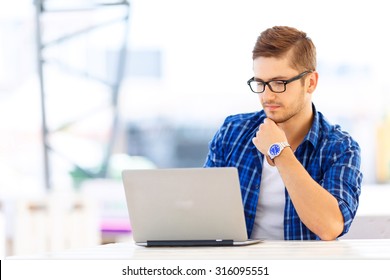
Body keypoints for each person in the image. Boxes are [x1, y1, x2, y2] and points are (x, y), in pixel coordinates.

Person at [204, 26, 363, 241]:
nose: (267, 96)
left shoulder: (340, 147)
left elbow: (330, 226)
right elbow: (203, 207)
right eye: (260, 83)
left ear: (310, 83)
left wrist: (279, 151)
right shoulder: (233, 132)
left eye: (279, 83)